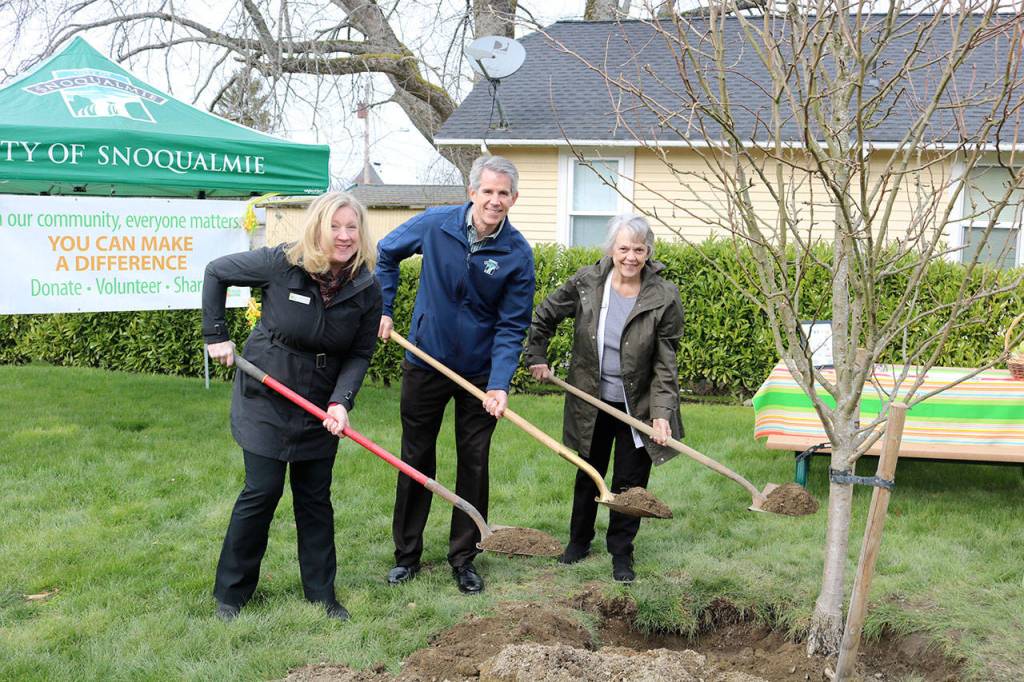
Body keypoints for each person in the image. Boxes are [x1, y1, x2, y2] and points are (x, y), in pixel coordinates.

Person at [202, 191, 382, 621]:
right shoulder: (282, 263)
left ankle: (322, 595)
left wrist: (341, 402)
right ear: (318, 227)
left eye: (351, 227)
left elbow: (359, 354)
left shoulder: (365, 286)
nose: (343, 236)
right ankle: (231, 595)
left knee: (315, 498)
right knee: (262, 491)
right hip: (266, 391)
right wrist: (215, 335)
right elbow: (216, 272)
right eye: (334, 226)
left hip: (319, 403)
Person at [376, 155, 535, 595]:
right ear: (472, 192)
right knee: (415, 457)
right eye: (488, 191)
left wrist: (499, 383)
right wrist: (384, 308)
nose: (495, 200)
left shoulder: (517, 254)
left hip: (479, 376)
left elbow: (512, 325)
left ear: (514, 198)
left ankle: (464, 557)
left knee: (474, 463)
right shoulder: (436, 224)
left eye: (504, 193)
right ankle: (407, 555)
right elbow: (386, 253)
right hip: (426, 360)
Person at [524, 214, 684, 583]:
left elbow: (665, 362)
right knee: (588, 472)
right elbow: (545, 316)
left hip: (637, 405)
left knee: (631, 484)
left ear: (648, 252)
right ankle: (578, 542)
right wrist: (537, 356)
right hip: (590, 399)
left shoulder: (663, 296)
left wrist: (661, 414)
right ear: (611, 249)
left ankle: (621, 553)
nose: (630, 257)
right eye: (623, 248)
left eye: (639, 249)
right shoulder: (588, 281)